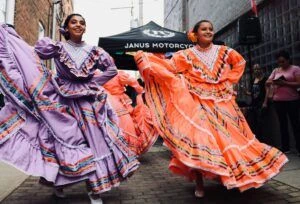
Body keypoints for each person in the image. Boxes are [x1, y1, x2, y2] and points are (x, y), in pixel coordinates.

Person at [134, 20, 288, 198]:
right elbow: (170, 68)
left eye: (210, 29)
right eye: (204, 29)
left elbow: (240, 63)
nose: (208, 32)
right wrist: (148, 60)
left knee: (230, 139)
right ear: (196, 34)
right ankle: (199, 184)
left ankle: (232, 176)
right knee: (201, 141)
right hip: (197, 102)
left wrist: (229, 81)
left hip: (223, 102)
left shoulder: (224, 51)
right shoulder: (186, 55)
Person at [0, 14, 139, 204]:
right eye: (74, 22)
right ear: (66, 27)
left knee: (94, 142)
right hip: (61, 100)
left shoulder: (95, 51)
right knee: (62, 140)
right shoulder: (57, 47)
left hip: (87, 102)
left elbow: (111, 70)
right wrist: (11, 38)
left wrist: (91, 83)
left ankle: (94, 190)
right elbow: (32, 55)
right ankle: (59, 183)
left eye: (82, 22)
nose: (78, 25)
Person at [103, 71, 158, 155]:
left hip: (106, 103)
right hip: (118, 103)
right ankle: (126, 152)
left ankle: (115, 152)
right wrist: (140, 90)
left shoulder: (99, 75)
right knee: (126, 126)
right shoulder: (118, 74)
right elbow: (133, 82)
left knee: (111, 127)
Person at [263, 50, 300, 155]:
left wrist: (285, 83)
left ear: (288, 60)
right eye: (279, 62)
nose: (281, 64)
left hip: (292, 100)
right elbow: (267, 82)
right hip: (278, 101)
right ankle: (285, 147)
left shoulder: (295, 69)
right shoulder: (276, 70)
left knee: (295, 124)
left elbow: (298, 83)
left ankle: (298, 147)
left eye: (283, 61)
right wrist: (274, 82)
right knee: (282, 124)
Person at [243, 64, 267, 140]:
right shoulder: (253, 80)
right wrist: (247, 93)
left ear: (261, 69)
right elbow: (253, 93)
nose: (256, 70)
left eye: (258, 69)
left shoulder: (264, 79)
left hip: (261, 102)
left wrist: (265, 102)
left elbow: (267, 92)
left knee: (260, 122)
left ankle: (261, 139)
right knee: (254, 122)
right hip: (254, 103)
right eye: (255, 69)